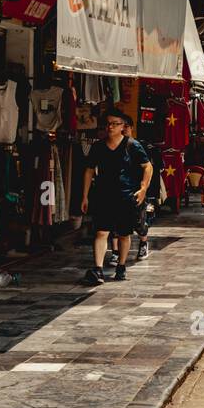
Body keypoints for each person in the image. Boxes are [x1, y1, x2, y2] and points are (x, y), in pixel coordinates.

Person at [80, 111, 153, 286]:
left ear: (122, 126)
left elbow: (147, 166)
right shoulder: (98, 147)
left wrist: (143, 188)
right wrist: (85, 196)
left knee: (123, 234)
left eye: (114, 123)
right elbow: (89, 170)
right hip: (103, 196)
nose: (110, 127)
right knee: (101, 232)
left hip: (126, 196)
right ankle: (98, 269)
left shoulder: (132, 145)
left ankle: (121, 265)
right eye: (108, 124)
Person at [107, 120, 153, 265]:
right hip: (118, 190)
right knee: (114, 223)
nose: (123, 129)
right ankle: (115, 251)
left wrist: (144, 188)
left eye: (126, 126)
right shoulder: (112, 145)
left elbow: (148, 168)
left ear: (130, 128)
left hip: (136, 189)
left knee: (139, 221)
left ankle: (143, 243)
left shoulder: (136, 145)